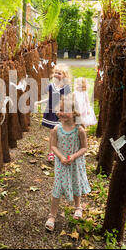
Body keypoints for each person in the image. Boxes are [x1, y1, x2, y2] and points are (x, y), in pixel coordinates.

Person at [45, 94, 91, 231]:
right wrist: (60, 157)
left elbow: (84, 147)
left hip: (75, 163)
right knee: (57, 187)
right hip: (61, 162)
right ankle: (52, 215)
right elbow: (52, 146)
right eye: (60, 109)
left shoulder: (80, 130)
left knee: (75, 183)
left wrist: (74, 156)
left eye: (65, 110)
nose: (61, 113)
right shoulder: (56, 129)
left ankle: (78, 206)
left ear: (75, 112)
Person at [35, 64, 72, 162]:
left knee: (62, 134)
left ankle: (61, 152)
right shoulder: (51, 86)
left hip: (61, 114)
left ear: (65, 76)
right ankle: (51, 152)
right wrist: (40, 102)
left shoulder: (66, 88)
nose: (56, 75)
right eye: (55, 73)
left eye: (59, 73)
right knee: (53, 133)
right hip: (51, 113)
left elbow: (68, 101)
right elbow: (50, 98)